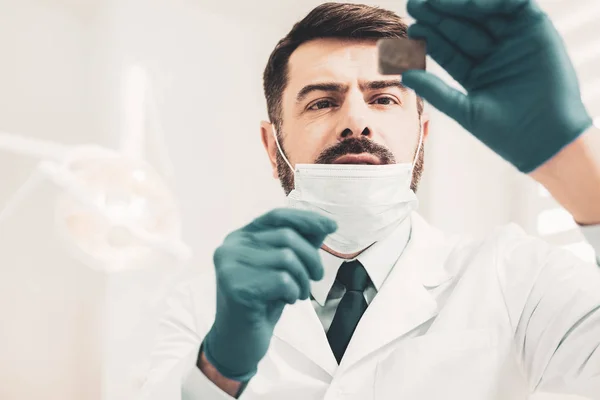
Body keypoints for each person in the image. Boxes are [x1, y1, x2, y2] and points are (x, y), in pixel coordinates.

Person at [142, 1, 600, 399]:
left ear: (422, 134)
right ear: (271, 144)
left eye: (383, 98)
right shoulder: (201, 308)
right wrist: (218, 369)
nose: (356, 122)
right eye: (322, 102)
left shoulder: (517, 277)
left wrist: (573, 161)